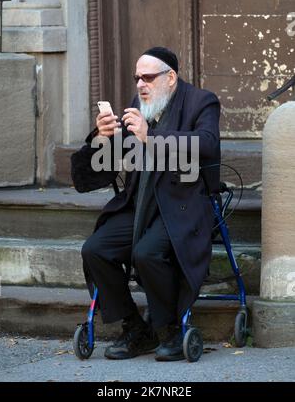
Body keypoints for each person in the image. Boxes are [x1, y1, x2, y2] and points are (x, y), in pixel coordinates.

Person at [71, 47, 220, 361]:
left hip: (183, 204)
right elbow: (103, 167)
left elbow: (206, 144)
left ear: (170, 78)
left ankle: (170, 329)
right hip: (140, 203)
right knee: (95, 249)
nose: (140, 84)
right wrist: (101, 137)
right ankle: (136, 328)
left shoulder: (201, 101)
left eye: (148, 78)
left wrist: (151, 136)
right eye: (137, 78)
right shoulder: (138, 106)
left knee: (146, 253)